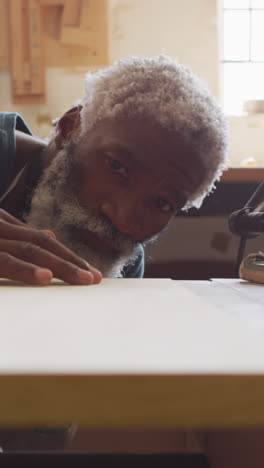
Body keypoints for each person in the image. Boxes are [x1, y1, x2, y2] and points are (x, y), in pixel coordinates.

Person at [0, 55, 235, 463]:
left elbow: (30, 443)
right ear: (71, 125)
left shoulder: (116, 262)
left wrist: (52, 396)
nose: (124, 218)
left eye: (161, 202)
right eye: (118, 166)